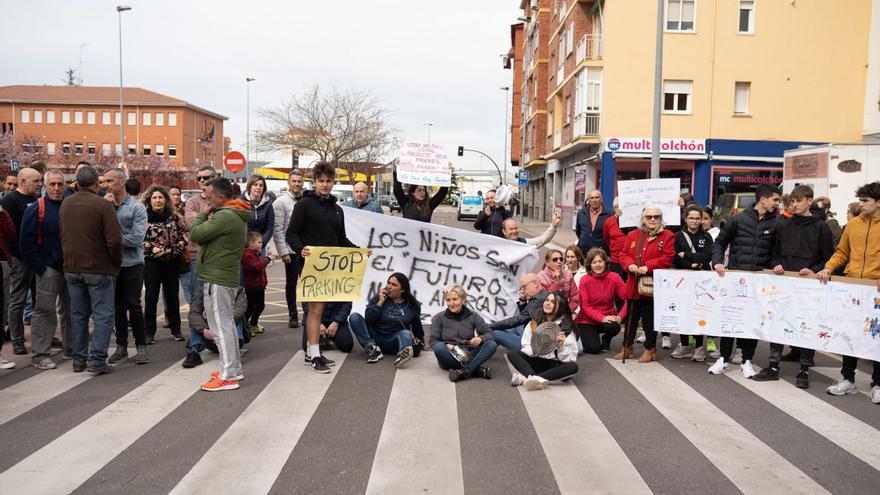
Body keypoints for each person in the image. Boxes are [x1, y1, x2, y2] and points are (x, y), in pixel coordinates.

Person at [747, 185, 834, 387]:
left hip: (808, 287)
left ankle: (803, 370)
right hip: (783, 284)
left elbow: (828, 258)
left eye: (798, 200)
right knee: (778, 322)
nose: (793, 205)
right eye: (791, 201)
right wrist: (775, 263)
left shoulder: (822, 227)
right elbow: (774, 252)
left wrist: (814, 270)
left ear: (809, 201)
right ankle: (773, 366)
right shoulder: (783, 225)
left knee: (806, 325)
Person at [287, 162, 367, 373]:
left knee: (318, 310)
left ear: (333, 182)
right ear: (314, 182)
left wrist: (359, 251)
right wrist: (300, 248)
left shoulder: (337, 210)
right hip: (312, 267)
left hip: (331, 269)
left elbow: (340, 240)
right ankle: (314, 355)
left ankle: (311, 352)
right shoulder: (304, 205)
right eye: (320, 180)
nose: (324, 184)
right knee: (315, 310)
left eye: (328, 181)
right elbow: (291, 233)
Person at [709, 184, 781, 377]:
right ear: (763, 199)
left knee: (753, 322)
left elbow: (775, 252)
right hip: (734, 279)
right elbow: (720, 242)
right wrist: (717, 262)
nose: (777, 203)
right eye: (775, 199)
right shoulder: (738, 219)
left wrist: (776, 264)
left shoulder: (776, 223)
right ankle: (723, 359)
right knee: (729, 320)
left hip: (759, 283)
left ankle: (746, 360)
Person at [818, 181, 880, 403]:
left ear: (878, 202)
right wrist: (828, 267)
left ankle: (878, 383)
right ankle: (848, 379)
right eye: (860, 200)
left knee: (876, 336)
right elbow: (842, 252)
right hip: (853, 288)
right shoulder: (852, 225)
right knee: (850, 334)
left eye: (865, 201)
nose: (860, 204)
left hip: (876, 289)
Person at [189, 177, 251, 391]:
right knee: (226, 325)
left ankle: (227, 375)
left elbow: (196, 234)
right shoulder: (236, 214)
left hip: (217, 276)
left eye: (210, 195)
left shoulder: (225, 215)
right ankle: (233, 368)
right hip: (224, 274)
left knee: (219, 326)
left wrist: (201, 215)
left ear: (221, 196)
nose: (206, 199)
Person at [60, 165, 123, 374]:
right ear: (97, 184)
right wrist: (116, 263)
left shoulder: (65, 204)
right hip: (98, 267)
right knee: (103, 315)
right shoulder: (102, 205)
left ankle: (79, 360)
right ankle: (97, 360)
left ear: (76, 183)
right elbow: (115, 240)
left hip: (72, 266)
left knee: (78, 315)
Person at [20, 170, 71, 369]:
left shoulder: (70, 205)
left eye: (60, 184)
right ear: (45, 186)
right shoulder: (36, 208)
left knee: (71, 310)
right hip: (48, 269)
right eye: (53, 184)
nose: (57, 188)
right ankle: (40, 354)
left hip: (70, 267)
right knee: (44, 311)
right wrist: (41, 268)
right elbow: (26, 243)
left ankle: (73, 349)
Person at [618, 206, 675, 362]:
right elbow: (623, 254)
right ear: (643, 218)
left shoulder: (667, 236)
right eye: (649, 217)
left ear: (660, 219)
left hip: (652, 286)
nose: (652, 220)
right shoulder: (633, 235)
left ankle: (650, 349)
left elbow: (667, 258)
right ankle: (627, 347)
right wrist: (630, 265)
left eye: (656, 217)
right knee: (631, 318)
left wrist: (647, 267)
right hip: (633, 284)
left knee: (650, 320)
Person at [104, 169, 149, 365]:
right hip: (111, 264)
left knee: (134, 304)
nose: (106, 184)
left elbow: (137, 238)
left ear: (122, 182)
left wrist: (112, 240)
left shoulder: (136, 208)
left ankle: (141, 346)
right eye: (104, 181)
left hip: (132, 264)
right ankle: (121, 346)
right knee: (117, 307)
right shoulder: (103, 205)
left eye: (110, 180)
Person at [141, 185, 188, 346]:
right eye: (154, 198)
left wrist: (175, 248)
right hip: (152, 262)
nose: (157, 200)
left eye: (160, 197)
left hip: (171, 260)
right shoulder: (143, 216)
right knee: (151, 297)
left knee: (172, 296)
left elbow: (185, 235)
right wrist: (152, 248)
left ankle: (176, 329)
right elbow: (139, 237)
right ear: (149, 200)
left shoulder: (174, 216)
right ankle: (149, 332)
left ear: (165, 199)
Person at [348, 273, 423, 368]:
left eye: (394, 285)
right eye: (388, 283)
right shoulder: (379, 297)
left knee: (405, 333)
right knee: (354, 317)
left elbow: (417, 325)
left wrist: (420, 340)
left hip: (393, 341)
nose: (389, 287)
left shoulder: (412, 305)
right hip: (374, 338)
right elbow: (369, 319)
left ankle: (402, 355)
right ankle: (373, 350)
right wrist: (380, 303)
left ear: (403, 290)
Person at [3, 167, 41, 355]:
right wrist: (20, 255)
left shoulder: (35, 200)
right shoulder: (10, 200)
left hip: (35, 257)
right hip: (19, 258)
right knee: (17, 299)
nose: (39, 184)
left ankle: (42, 336)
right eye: (36, 181)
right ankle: (17, 339)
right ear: (23, 181)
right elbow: (9, 233)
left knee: (39, 299)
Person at [669, 205, 714, 362]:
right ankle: (684, 344)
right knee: (683, 312)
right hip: (683, 278)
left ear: (701, 220)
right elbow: (674, 257)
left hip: (702, 280)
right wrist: (691, 264)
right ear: (685, 219)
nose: (694, 221)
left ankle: (699, 347)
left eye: (697, 218)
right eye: (691, 218)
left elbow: (707, 256)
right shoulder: (677, 236)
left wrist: (686, 255)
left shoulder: (706, 237)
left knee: (699, 313)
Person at [508, 291, 579, 390]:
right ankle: (533, 379)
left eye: (553, 302)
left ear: (561, 307)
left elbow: (568, 360)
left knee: (573, 367)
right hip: (537, 362)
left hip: (555, 365)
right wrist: (536, 344)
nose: (548, 303)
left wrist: (561, 346)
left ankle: (528, 379)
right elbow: (526, 348)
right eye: (547, 300)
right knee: (512, 353)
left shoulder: (566, 327)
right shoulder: (535, 322)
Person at [429, 284, 497, 382]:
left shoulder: (473, 316)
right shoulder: (438, 318)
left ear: (463, 299)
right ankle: (475, 369)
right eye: (448, 300)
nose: (451, 303)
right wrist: (447, 345)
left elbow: (490, 334)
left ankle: (466, 372)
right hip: (449, 355)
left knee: (491, 344)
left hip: (469, 352)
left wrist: (480, 338)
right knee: (439, 348)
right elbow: (433, 341)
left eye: (455, 299)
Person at [182, 283, 247, 369]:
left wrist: (219, 328)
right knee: (197, 322)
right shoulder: (204, 290)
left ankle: (233, 358)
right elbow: (194, 313)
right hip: (210, 336)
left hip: (229, 333)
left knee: (235, 320)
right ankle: (194, 353)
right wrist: (204, 329)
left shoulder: (237, 289)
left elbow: (240, 309)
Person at [576, 248, 626, 354]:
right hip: (587, 320)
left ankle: (606, 339)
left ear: (605, 262)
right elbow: (585, 306)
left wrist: (620, 316)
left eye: (600, 261)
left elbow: (628, 300)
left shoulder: (615, 278)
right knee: (593, 349)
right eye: (594, 262)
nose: (598, 265)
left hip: (608, 318)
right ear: (590, 265)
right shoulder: (584, 280)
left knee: (615, 327)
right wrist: (602, 318)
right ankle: (582, 335)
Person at [272, 169, 305, 328]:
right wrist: (283, 252)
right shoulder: (280, 203)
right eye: (294, 181)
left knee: (308, 284)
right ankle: (293, 314)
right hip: (290, 251)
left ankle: (308, 313)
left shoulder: (307, 201)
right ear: (289, 183)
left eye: (299, 181)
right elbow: (278, 229)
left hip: (307, 251)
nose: (297, 184)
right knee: (291, 284)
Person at [181, 165, 218, 305]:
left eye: (206, 177)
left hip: (217, 255)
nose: (202, 180)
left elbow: (221, 227)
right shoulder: (192, 202)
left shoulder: (220, 201)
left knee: (217, 298)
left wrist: (200, 217)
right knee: (198, 297)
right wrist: (210, 219)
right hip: (197, 255)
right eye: (199, 178)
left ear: (215, 178)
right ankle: (198, 327)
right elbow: (193, 227)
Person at [488, 273, 548, 350]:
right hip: (535, 335)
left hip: (533, 346)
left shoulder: (538, 299)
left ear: (535, 284)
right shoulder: (542, 294)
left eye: (524, 287)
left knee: (494, 331)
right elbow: (526, 316)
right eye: (521, 288)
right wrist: (523, 301)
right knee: (515, 327)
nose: (522, 291)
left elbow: (519, 319)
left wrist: (491, 325)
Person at [242, 231, 270, 335]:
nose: (261, 244)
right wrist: (268, 259)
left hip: (259, 286)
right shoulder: (248, 255)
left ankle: (253, 324)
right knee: (251, 306)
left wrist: (264, 281)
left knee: (260, 305)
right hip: (252, 286)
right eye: (259, 242)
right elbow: (258, 266)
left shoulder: (255, 254)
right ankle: (244, 327)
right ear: (250, 243)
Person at [537, 249, 579, 314]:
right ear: (547, 263)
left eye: (561, 259)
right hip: (547, 314)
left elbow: (575, 297)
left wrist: (567, 312)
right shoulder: (540, 278)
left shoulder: (568, 274)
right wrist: (556, 281)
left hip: (565, 312)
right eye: (555, 259)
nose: (559, 261)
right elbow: (546, 301)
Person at [243, 174, 275, 256]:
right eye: (255, 185)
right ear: (250, 187)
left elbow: (270, 227)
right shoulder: (241, 202)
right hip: (243, 246)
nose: (258, 187)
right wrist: (247, 244)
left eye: (261, 185)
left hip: (260, 247)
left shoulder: (268, 205)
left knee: (259, 268)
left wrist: (261, 243)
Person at [0, 205, 15, 370]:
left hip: (2, 262)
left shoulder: (2, 212)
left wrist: (2, 212)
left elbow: (11, 232)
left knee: (2, 309)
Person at [575, 189, 612, 256]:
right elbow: (578, 231)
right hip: (583, 253)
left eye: (597, 197)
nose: (594, 200)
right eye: (592, 198)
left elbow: (610, 235)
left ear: (601, 199)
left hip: (601, 254)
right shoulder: (581, 213)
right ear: (588, 200)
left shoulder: (609, 214)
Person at [602, 197, 627, 280]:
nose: (619, 209)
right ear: (614, 209)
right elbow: (606, 239)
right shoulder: (608, 222)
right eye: (617, 207)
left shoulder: (632, 222)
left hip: (630, 261)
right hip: (616, 261)